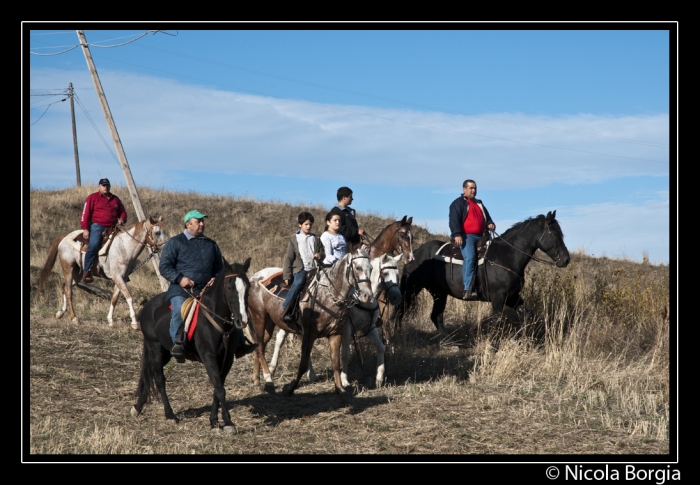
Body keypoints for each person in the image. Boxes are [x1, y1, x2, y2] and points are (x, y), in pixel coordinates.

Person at [159, 210, 257, 362]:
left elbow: (220, 268)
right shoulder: (175, 242)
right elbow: (164, 266)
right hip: (183, 290)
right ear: (188, 224)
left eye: (202, 221)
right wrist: (179, 278)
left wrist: (215, 278)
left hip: (207, 290)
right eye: (198, 221)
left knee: (231, 307)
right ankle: (178, 343)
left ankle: (239, 343)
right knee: (178, 310)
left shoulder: (211, 244)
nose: (202, 224)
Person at [448, 179, 496, 300]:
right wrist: (457, 234)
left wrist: (490, 223)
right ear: (464, 189)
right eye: (471, 188)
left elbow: (488, 218)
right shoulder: (458, 203)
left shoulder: (479, 203)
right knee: (470, 257)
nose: (473, 190)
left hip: (482, 236)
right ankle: (467, 289)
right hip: (466, 236)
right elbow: (454, 221)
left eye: (475, 188)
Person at [281, 212, 325, 324]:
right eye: (306, 224)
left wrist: (320, 255)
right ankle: (286, 308)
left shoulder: (316, 238)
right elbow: (289, 258)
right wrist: (287, 275)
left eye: (310, 224)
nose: (309, 227)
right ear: (299, 225)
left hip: (315, 268)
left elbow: (322, 251)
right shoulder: (294, 239)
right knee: (299, 282)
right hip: (301, 269)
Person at [80, 178, 127, 283]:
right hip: (98, 226)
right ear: (99, 186)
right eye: (103, 185)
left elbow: (122, 212)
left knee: (123, 244)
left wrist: (122, 219)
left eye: (107, 185)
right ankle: (86, 270)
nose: (105, 187)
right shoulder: (92, 198)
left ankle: (121, 270)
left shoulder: (115, 199)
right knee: (94, 244)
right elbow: (85, 214)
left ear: (109, 186)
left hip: (112, 227)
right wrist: (85, 229)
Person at [329, 186, 365, 251]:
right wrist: (356, 231)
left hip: (354, 245)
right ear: (344, 197)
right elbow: (341, 229)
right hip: (343, 247)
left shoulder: (350, 211)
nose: (352, 199)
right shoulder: (335, 211)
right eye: (350, 197)